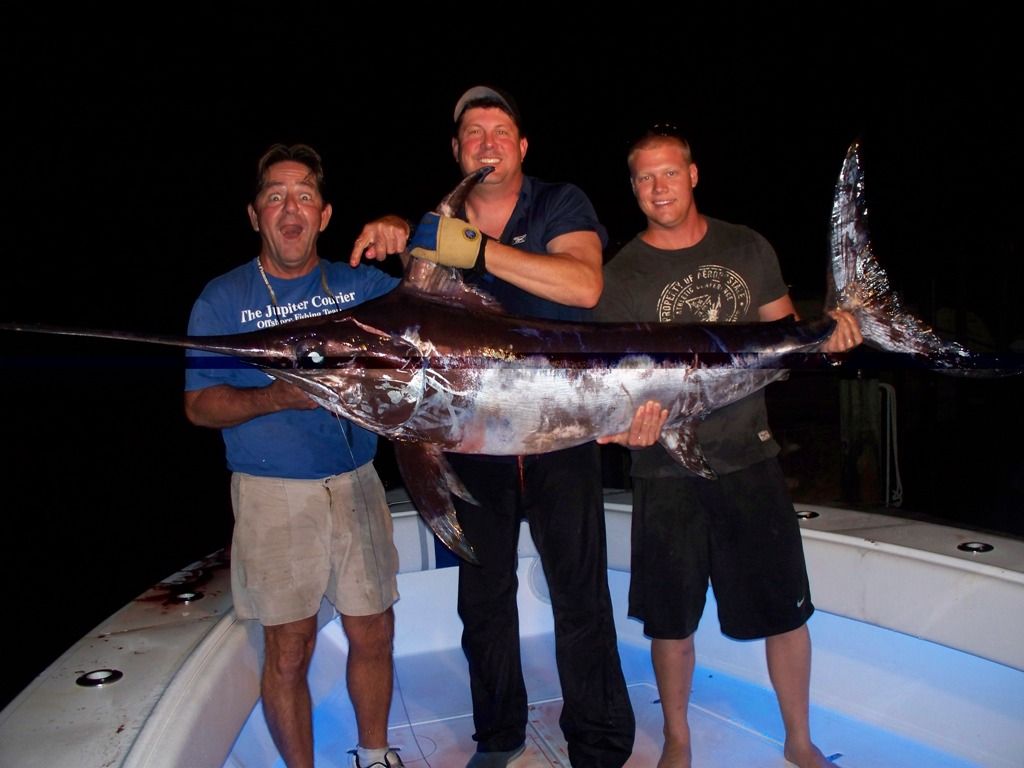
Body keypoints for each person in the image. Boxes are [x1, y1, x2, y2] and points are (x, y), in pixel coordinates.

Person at [350, 86, 636, 768]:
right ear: (456, 152)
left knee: (580, 592)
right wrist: (402, 230)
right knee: (483, 600)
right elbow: (411, 298)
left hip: (560, 434)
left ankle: (599, 742)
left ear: (522, 146)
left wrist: (471, 249)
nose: (486, 141)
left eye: (500, 130)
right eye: (472, 132)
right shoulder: (433, 232)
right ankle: (500, 735)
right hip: (471, 442)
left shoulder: (559, 203)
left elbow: (584, 286)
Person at [595, 126, 863, 768]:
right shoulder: (620, 275)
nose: (658, 188)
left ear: (693, 174)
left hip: (749, 454)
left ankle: (799, 739)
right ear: (633, 188)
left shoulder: (748, 246)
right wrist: (619, 427)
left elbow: (782, 339)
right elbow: (614, 386)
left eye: (668, 173)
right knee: (670, 620)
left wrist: (827, 338)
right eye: (644, 178)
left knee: (784, 612)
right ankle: (680, 740)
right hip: (662, 468)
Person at [184, 143, 405, 768]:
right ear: (255, 215)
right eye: (275, 197)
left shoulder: (358, 286)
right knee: (289, 646)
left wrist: (404, 232)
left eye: (304, 196)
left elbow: (441, 297)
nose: (290, 209)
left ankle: (374, 753)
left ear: (326, 214)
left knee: (375, 630)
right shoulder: (222, 301)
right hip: (269, 491)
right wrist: (276, 396)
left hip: (358, 481)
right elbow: (199, 406)